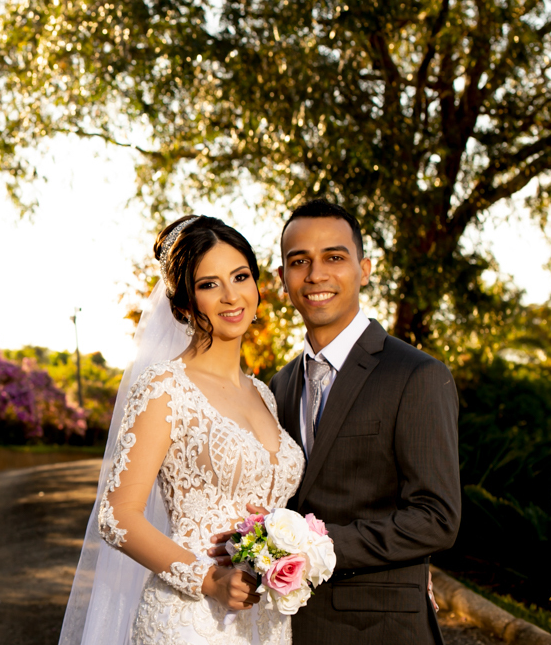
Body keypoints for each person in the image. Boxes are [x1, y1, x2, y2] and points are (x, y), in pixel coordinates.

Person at [212, 199, 460, 644]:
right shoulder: (280, 384)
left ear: (364, 270)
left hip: (382, 629)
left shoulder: (416, 375)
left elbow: (436, 518)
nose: (315, 274)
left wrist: (312, 548)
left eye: (334, 257)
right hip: (291, 625)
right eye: (299, 261)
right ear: (282, 278)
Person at [59, 215, 306, 645]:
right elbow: (117, 516)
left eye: (240, 277)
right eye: (209, 284)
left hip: (266, 622)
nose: (231, 296)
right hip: (191, 620)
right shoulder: (165, 386)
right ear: (184, 305)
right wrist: (208, 579)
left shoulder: (264, 394)